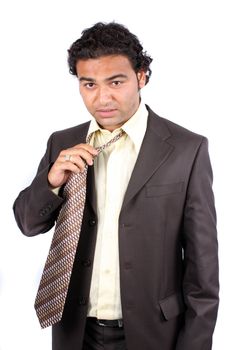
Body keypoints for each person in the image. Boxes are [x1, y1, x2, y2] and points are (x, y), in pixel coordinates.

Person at [13, 22, 219, 350]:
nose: (102, 97)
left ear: (142, 77)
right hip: (76, 333)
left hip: (155, 334)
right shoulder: (63, 143)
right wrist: (51, 181)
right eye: (89, 84)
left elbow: (203, 270)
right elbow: (27, 223)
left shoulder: (185, 149)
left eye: (116, 82)